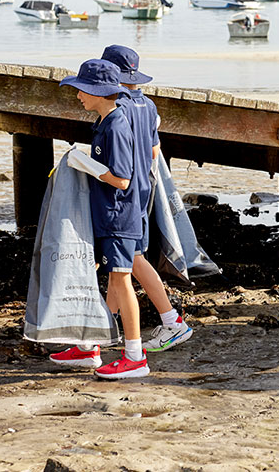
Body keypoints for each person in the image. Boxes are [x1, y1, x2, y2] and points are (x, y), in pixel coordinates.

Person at [53, 60, 150, 379]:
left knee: (122, 282)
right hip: (110, 216)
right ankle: (91, 347)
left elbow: (122, 179)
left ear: (98, 92)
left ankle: (135, 357)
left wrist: (87, 165)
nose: (78, 95)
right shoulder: (105, 121)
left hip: (118, 217)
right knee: (113, 281)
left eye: (82, 90)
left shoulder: (116, 125)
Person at [99, 45, 193, 353]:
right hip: (143, 188)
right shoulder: (148, 105)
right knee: (125, 263)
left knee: (129, 261)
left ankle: (171, 320)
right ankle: (106, 326)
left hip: (122, 194)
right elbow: (154, 152)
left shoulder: (117, 107)